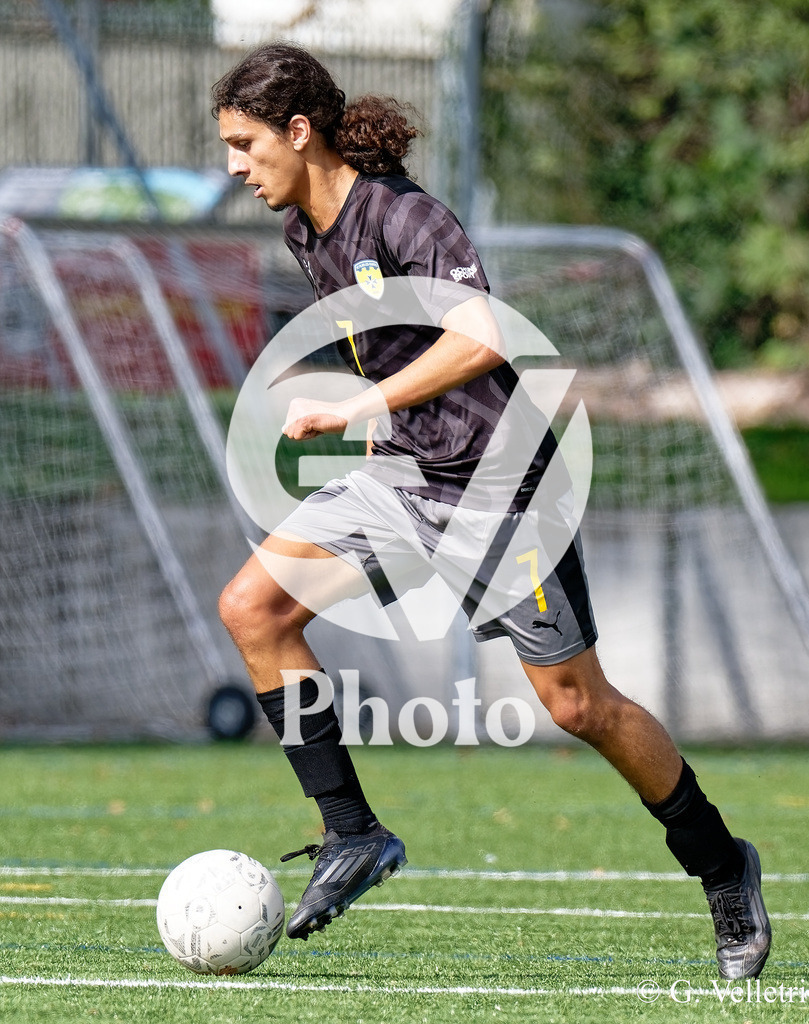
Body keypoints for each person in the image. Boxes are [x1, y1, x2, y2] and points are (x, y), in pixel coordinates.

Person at [211, 43, 771, 978]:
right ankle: (353, 833)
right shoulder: (304, 235)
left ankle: (721, 864)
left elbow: (481, 335)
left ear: (297, 131)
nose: (233, 165)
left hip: (499, 486)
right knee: (253, 609)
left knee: (575, 705)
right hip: (402, 479)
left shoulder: (402, 213)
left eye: (243, 142)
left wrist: (359, 407)